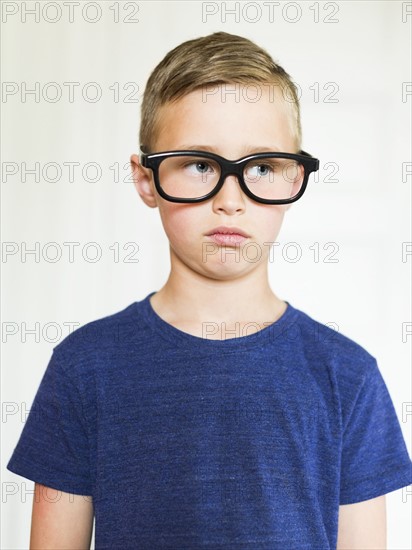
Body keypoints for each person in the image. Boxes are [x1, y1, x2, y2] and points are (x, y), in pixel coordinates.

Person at [7, 31, 411, 549]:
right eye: (200, 165)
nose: (230, 199)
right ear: (146, 179)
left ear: (294, 180)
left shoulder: (346, 376)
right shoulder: (83, 367)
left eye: (261, 167)